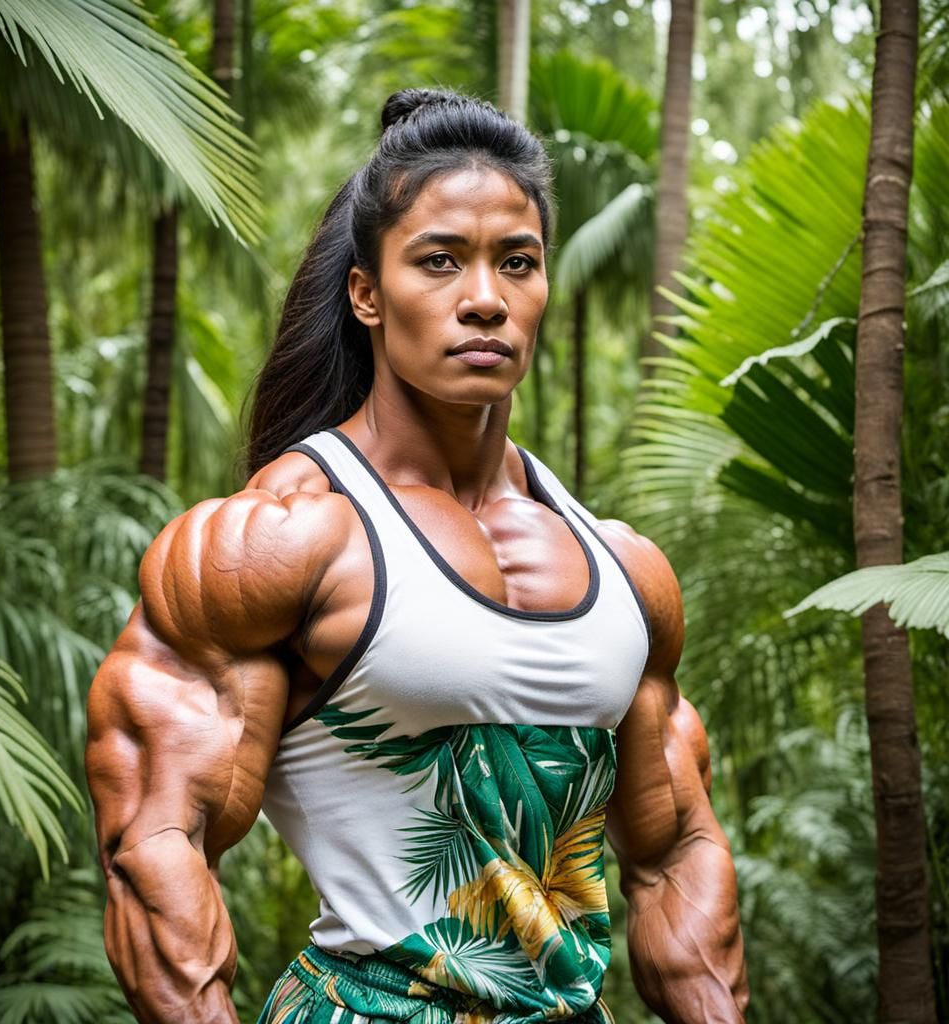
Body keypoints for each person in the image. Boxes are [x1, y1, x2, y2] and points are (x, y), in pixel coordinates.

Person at [86, 88, 748, 1024]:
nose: (485, 299)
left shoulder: (627, 570)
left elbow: (678, 850)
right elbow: (154, 845)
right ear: (367, 292)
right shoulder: (281, 541)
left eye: (517, 263)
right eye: (439, 262)